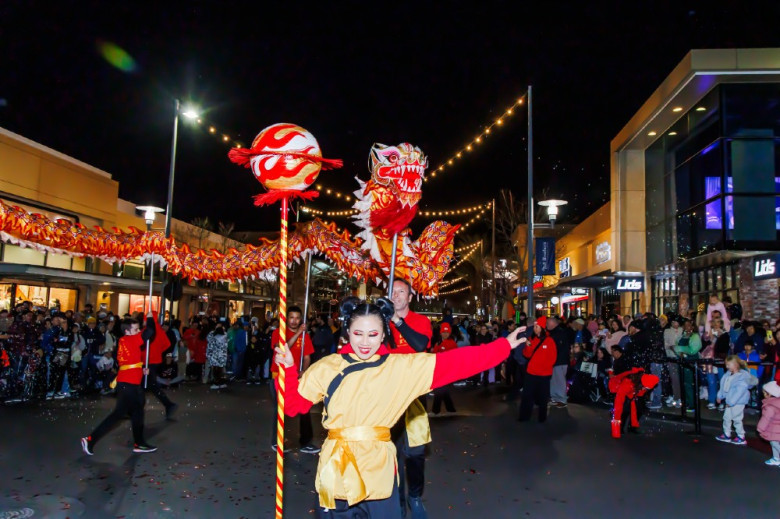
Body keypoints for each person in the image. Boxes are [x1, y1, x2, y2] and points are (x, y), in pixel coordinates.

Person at [274, 297, 527, 517]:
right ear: (347, 332)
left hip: (378, 472)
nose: (365, 341)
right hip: (336, 471)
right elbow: (294, 406)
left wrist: (502, 347)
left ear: (384, 334)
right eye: (358, 333)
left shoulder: (401, 368)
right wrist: (286, 369)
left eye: (373, 334)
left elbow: (454, 363)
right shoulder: (327, 366)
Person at [81, 313, 159, 455]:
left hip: (128, 382)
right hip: (129, 384)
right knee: (119, 414)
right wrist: (149, 318)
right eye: (135, 329)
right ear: (127, 331)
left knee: (137, 412)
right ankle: (90, 439)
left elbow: (129, 362)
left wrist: (141, 369)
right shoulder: (132, 340)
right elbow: (150, 331)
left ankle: (139, 443)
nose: (138, 332)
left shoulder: (124, 341)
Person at [388, 278, 433, 518]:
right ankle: (396, 501)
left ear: (410, 296)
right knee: (390, 454)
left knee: (415, 454)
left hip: (414, 396)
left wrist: (397, 321)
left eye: (401, 291)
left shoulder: (421, 321)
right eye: (392, 292)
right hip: (387, 396)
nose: (396, 296)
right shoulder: (380, 322)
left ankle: (414, 496)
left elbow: (420, 345)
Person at [270, 305, 318, 454]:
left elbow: (307, 356)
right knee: (281, 409)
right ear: (286, 318)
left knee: (305, 409)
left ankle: (306, 442)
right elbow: (283, 348)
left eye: (297, 318)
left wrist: (304, 370)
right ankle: (277, 441)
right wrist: (298, 333)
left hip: (297, 378)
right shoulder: (279, 332)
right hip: (280, 376)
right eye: (291, 317)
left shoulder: (306, 336)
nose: (294, 321)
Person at [518, 316, 556, 423]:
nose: (535, 328)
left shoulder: (549, 341)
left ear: (543, 328)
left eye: (537, 326)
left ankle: (542, 418)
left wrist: (544, 368)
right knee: (527, 395)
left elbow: (552, 358)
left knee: (543, 397)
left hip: (544, 374)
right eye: (534, 326)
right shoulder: (531, 339)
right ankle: (524, 416)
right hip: (531, 373)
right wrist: (528, 346)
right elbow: (526, 354)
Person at [715, 355, 758, 446]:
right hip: (729, 401)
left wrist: (731, 402)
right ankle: (727, 434)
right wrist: (720, 396)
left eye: (728, 365)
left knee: (737, 419)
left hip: (738, 402)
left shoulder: (741, 377)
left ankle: (741, 436)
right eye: (726, 365)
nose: (727, 367)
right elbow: (723, 386)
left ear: (735, 365)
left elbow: (739, 392)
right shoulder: (728, 374)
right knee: (726, 417)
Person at [609, 367, 659, 437]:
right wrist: (616, 418)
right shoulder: (628, 382)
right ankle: (620, 427)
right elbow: (619, 400)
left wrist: (639, 393)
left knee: (639, 410)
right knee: (624, 410)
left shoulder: (644, 380)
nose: (645, 389)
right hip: (621, 390)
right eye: (645, 388)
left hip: (633, 392)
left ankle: (631, 427)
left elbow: (640, 393)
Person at [145, 313, 177, 420]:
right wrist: (159, 351)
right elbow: (167, 344)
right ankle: (168, 404)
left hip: (147, 361)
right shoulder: (160, 330)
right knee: (150, 385)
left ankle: (168, 404)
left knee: (148, 385)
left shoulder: (148, 330)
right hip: (154, 361)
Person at [674, 319, 702, 413]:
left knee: (689, 384)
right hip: (682, 363)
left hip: (690, 363)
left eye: (688, 325)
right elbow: (676, 347)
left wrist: (681, 350)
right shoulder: (683, 336)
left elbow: (693, 350)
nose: (686, 327)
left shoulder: (695, 337)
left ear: (692, 326)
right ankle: (686, 402)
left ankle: (692, 404)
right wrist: (679, 352)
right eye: (685, 325)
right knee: (684, 384)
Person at [429, 322, 457, 415]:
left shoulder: (452, 343)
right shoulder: (438, 342)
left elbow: (453, 357)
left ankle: (435, 411)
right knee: (443, 391)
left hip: (447, 370)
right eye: (443, 332)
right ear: (440, 332)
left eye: (447, 332)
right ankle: (451, 409)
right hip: (439, 369)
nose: (445, 334)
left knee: (439, 390)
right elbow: (434, 354)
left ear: (449, 333)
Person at [547, 316, 571, 408]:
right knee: (554, 380)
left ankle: (561, 399)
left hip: (559, 361)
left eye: (548, 323)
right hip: (556, 361)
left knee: (559, 380)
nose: (547, 325)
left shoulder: (559, 333)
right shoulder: (556, 333)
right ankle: (556, 398)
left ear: (553, 323)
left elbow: (559, 348)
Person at [757, 381, 780, 466]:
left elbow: (765, 419)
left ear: (769, 394)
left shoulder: (770, 406)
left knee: (774, 443)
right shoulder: (777, 402)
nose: (763, 394)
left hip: (774, 429)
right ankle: (776, 458)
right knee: (775, 443)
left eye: (764, 392)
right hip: (777, 428)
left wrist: (760, 428)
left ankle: (777, 458)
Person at [207, 324, 229, 389]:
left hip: (215, 356)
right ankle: (221, 382)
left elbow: (210, 347)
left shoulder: (213, 338)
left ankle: (216, 383)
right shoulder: (225, 337)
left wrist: (208, 355)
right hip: (222, 356)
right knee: (221, 370)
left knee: (215, 370)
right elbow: (226, 347)